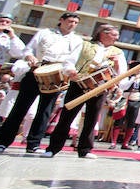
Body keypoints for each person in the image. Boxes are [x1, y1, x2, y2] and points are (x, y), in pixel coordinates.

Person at [0, 12, 83, 154]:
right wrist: (30, 56)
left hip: (56, 74)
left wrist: (70, 71)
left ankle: (34, 144)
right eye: (70, 21)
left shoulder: (77, 40)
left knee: (45, 111)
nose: (72, 25)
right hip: (36, 69)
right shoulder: (44, 33)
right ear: (61, 20)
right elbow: (28, 49)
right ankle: (2, 142)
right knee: (20, 107)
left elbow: (71, 60)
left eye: (75, 23)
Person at [43, 24, 126, 158]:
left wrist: (116, 64)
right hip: (79, 84)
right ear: (103, 33)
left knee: (92, 119)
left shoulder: (118, 52)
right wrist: (71, 71)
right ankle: (53, 148)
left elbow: (122, 73)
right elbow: (69, 61)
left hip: (100, 87)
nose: (117, 38)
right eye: (114, 35)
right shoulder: (84, 45)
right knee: (67, 116)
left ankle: (85, 149)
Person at [0, 14, 25, 113]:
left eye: (7, 22)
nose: (4, 24)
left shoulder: (8, 38)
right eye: (1, 21)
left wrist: (12, 37)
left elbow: (20, 53)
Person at [115, 69, 140, 149]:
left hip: (136, 100)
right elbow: (123, 86)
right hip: (124, 99)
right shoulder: (127, 77)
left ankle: (125, 143)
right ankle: (113, 142)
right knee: (119, 120)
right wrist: (134, 78)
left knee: (132, 122)